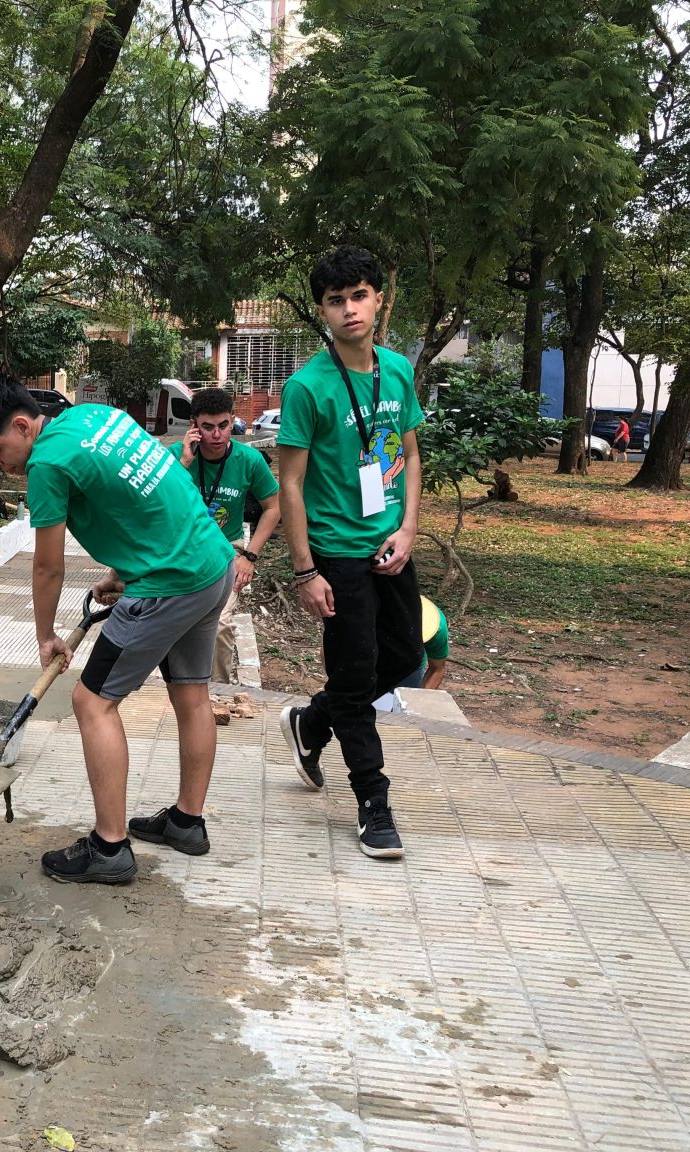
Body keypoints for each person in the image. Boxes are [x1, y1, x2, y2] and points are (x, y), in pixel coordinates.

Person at [0, 373, 235, 885]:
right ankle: (187, 822)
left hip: (168, 585)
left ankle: (109, 849)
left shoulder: (46, 463)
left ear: (22, 426)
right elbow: (143, 497)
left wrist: (46, 637)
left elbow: (47, 567)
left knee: (91, 702)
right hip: (212, 566)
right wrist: (120, 571)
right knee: (192, 694)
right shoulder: (94, 417)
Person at [275, 245, 424, 861]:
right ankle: (373, 805)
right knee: (356, 679)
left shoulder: (398, 371)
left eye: (359, 295)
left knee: (407, 658)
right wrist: (305, 571)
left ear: (379, 299)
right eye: (336, 300)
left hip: (391, 545)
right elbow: (289, 485)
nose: (349, 309)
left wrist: (408, 528)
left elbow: (409, 454)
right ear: (323, 311)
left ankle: (312, 721)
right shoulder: (307, 387)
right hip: (336, 553)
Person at [181, 387, 281, 684]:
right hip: (185, 551)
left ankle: (218, 692)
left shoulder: (249, 459)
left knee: (219, 624)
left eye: (223, 425)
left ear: (233, 420)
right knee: (177, 623)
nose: (216, 435)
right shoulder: (177, 457)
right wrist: (184, 464)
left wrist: (249, 556)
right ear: (194, 426)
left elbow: (274, 508)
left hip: (228, 550)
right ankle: (184, 688)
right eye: (207, 427)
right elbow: (157, 505)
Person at [372, 595, 450, 709]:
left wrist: (418, 703)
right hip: (373, 655)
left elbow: (436, 669)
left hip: (412, 665)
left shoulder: (438, 628)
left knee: (404, 707)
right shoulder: (369, 617)